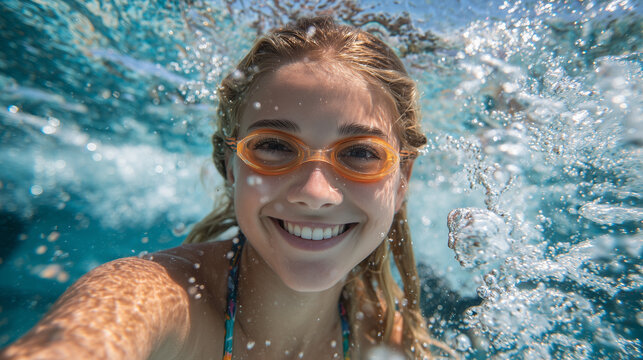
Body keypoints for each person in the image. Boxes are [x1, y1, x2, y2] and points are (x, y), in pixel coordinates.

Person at [1, 16, 455, 359]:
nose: (316, 192)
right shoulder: (153, 299)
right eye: (275, 145)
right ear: (230, 168)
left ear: (402, 182)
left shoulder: (385, 336)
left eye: (360, 153)